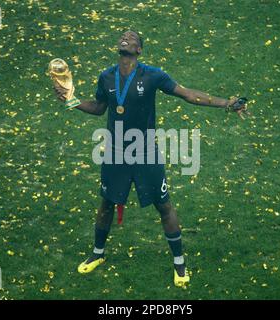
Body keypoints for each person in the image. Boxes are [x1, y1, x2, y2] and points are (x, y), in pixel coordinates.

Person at [54, 30, 248, 288]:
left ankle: (179, 262)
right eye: (123, 36)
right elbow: (100, 108)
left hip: (145, 152)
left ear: (139, 50)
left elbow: (188, 94)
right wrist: (72, 101)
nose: (126, 38)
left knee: (164, 206)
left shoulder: (153, 75)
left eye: (132, 38)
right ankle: (97, 254)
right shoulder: (106, 76)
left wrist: (227, 103)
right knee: (106, 203)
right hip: (115, 153)